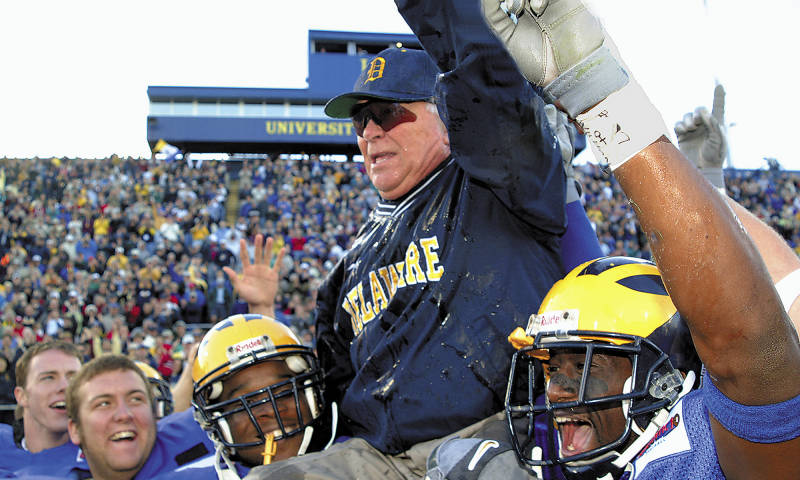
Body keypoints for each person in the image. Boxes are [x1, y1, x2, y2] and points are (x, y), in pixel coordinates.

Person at [470, 0, 798, 479]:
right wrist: (706, 184)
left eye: (582, 367)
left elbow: (748, 339)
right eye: (551, 368)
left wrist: (601, 99)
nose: (556, 392)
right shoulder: (588, 445)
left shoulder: (702, 452)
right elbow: (785, 289)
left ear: (662, 382)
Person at [191, 313, 335, 479]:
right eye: (247, 402)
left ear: (312, 397)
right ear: (219, 423)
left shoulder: (358, 459)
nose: (271, 410)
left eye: (283, 392)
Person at [65, 354, 215, 479]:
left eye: (136, 399)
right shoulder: (58, 467)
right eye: (104, 404)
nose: (124, 414)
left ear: (153, 413)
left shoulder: (203, 433)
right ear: (75, 430)